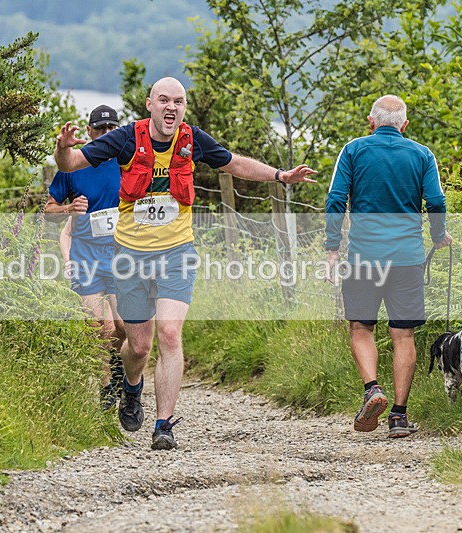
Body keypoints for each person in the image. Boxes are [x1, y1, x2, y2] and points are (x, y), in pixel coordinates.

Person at [54, 77, 317, 450]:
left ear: (184, 107)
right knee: (139, 347)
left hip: (177, 254)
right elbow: (72, 161)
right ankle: (131, 386)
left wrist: (280, 175)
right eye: (164, 100)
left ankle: (164, 425)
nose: (171, 107)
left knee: (171, 335)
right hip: (129, 257)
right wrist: (62, 149)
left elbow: (235, 163)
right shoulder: (127, 138)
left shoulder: (192, 140)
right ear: (149, 104)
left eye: (178, 101)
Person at [324, 94, 452, 438]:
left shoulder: (353, 150)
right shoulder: (422, 154)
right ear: (404, 125)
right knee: (403, 334)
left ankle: (371, 389)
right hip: (407, 258)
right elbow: (436, 200)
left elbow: (336, 199)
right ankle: (398, 416)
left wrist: (332, 247)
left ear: (371, 122)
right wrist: (438, 235)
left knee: (361, 328)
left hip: (363, 257)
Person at [45, 104, 125, 409]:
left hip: (121, 257)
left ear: (118, 132)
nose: (106, 135)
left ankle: (118, 363)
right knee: (97, 326)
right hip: (86, 257)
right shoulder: (73, 167)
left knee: (121, 327)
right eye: (100, 130)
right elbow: (48, 210)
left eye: (111, 130)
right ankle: (106, 389)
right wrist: (68, 209)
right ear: (89, 132)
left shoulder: (126, 163)